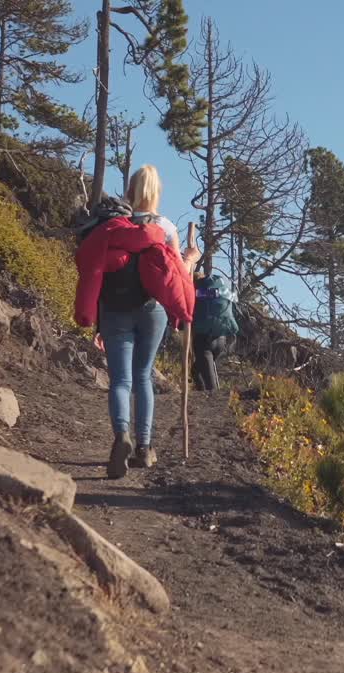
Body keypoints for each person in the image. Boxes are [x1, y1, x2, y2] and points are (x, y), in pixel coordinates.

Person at [73, 165, 199, 478]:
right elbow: (176, 275)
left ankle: (122, 438)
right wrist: (191, 260)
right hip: (152, 308)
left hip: (115, 307)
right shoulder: (166, 227)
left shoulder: (112, 225)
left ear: (130, 189)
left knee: (120, 380)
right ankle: (144, 447)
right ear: (157, 192)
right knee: (143, 376)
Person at [191, 270, 240, 394]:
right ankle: (202, 399)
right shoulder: (219, 292)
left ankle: (214, 406)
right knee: (195, 370)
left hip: (203, 342)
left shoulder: (196, 294)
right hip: (221, 339)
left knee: (212, 388)